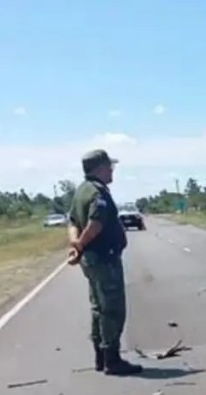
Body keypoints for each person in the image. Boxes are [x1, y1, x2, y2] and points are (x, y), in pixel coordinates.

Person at [66, 149, 142, 375]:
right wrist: (80, 244)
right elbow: (96, 222)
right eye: (109, 166)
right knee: (112, 309)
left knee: (98, 306)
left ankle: (101, 356)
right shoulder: (97, 193)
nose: (112, 170)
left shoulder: (81, 191)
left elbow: (72, 221)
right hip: (103, 258)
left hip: (91, 259)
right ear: (99, 168)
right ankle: (112, 359)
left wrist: (76, 245)